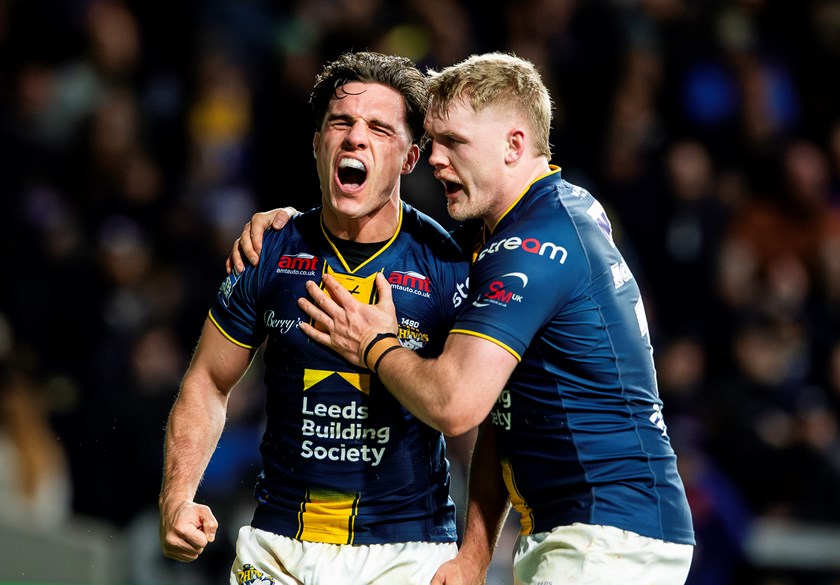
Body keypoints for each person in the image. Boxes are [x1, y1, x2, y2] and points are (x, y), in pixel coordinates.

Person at [291, 52, 696, 584]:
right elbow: (500, 417)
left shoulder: (533, 246)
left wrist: (375, 345)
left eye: (454, 142)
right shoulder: (543, 216)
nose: (435, 159)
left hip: (608, 536)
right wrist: (476, 556)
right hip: (590, 531)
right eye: (432, 142)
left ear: (514, 145)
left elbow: (456, 405)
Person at [159, 51, 471, 585]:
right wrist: (177, 497)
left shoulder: (446, 266)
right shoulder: (269, 250)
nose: (355, 138)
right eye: (341, 123)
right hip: (279, 549)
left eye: (379, 128)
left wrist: (477, 554)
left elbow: (477, 420)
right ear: (317, 143)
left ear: (409, 158)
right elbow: (208, 381)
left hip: (407, 554)